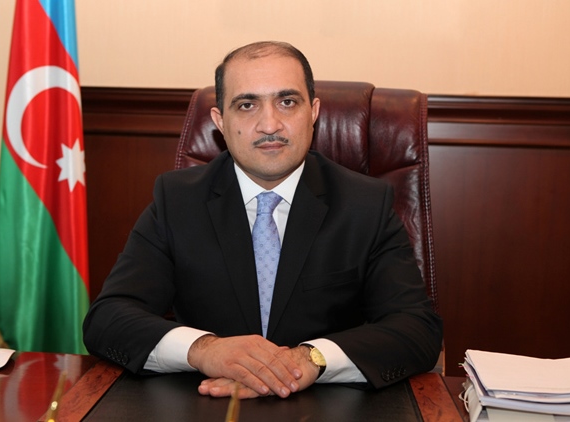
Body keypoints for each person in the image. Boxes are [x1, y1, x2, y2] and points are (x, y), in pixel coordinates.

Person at [83, 41, 443, 400]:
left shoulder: (365, 204)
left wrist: (310, 360)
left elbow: (417, 329)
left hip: (327, 405)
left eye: (287, 102)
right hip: (206, 401)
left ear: (313, 112)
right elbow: (108, 318)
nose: (270, 124)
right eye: (247, 105)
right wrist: (206, 350)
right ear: (220, 121)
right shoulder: (177, 200)